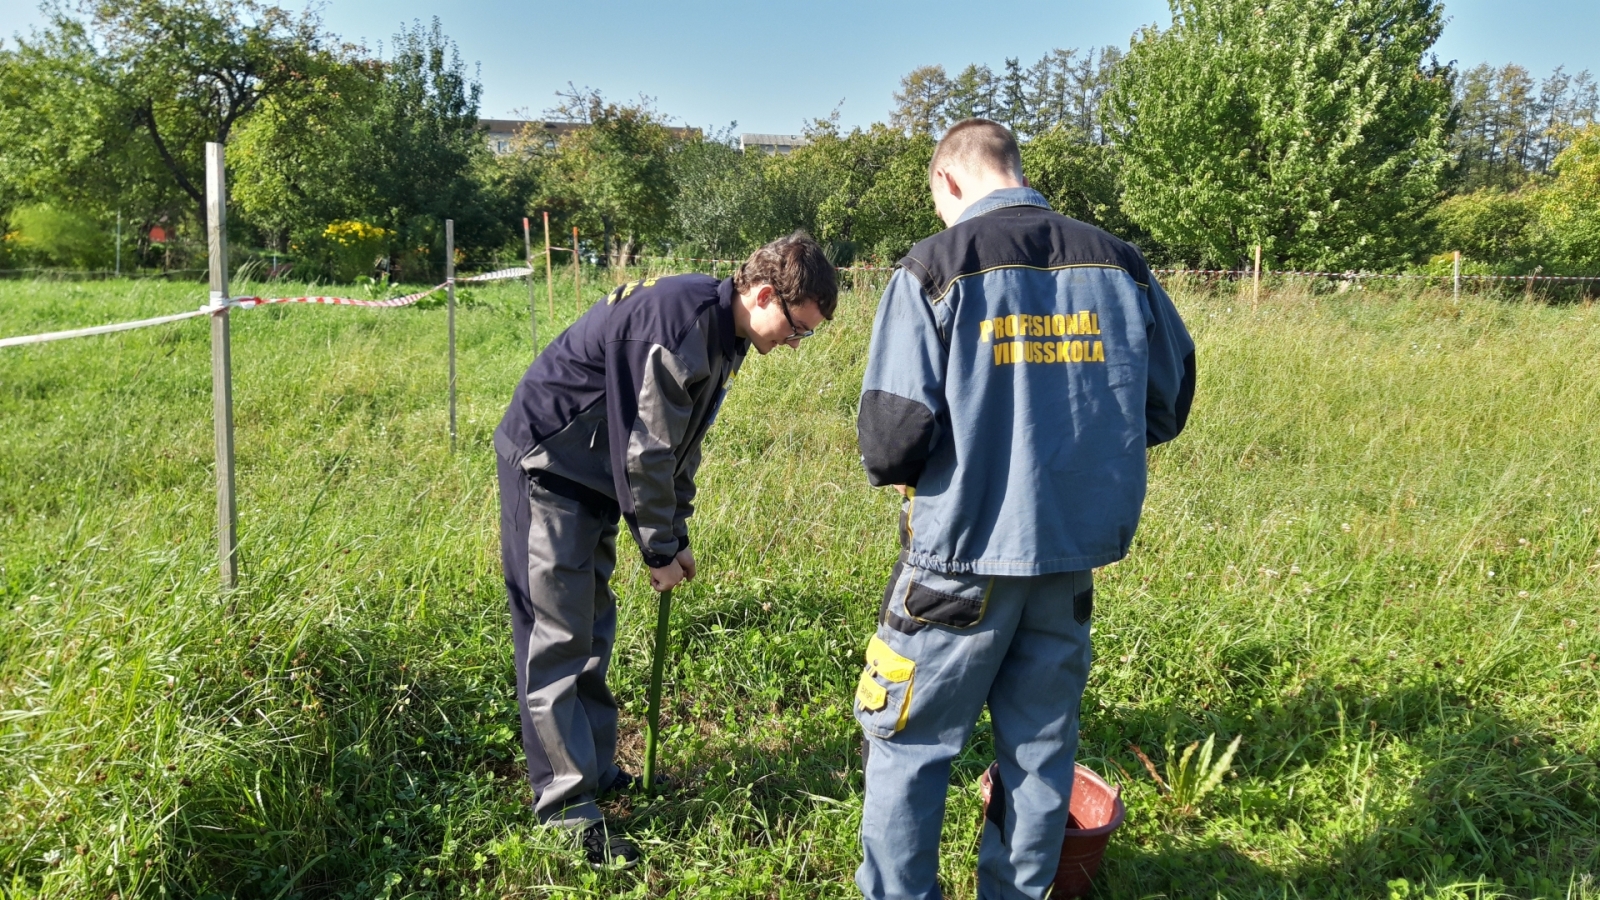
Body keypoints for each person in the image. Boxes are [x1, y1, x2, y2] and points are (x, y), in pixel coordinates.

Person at [852, 119, 1196, 900]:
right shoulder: (1120, 263)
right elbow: (1166, 404)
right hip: (1066, 559)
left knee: (909, 744)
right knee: (1040, 751)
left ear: (948, 181)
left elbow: (890, 438)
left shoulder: (932, 267)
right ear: (1013, 169)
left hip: (957, 562)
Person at [494, 233, 838, 869]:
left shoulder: (722, 335)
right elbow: (645, 450)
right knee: (557, 637)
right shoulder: (677, 321)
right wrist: (658, 548)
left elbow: (680, 445)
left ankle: (593, 769)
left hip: (591, 474)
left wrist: (674, 532)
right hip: (550, 464)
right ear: (764, 295)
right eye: (798, 329)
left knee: (591, 628)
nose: (795, 344)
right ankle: (566, 809)